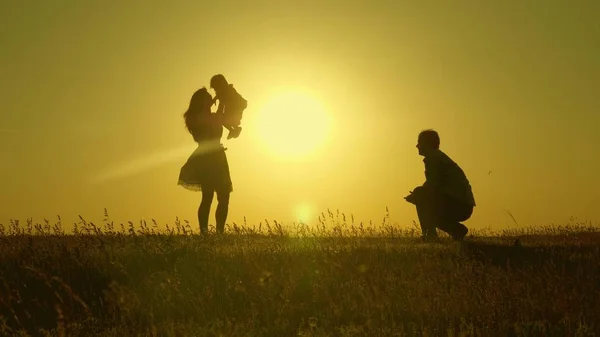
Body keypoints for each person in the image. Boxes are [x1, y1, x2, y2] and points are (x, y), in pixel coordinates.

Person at [178, 88, 233, 234]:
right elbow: (216, 121)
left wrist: (222, 100)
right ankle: (205, 233)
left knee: (223, 195)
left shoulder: (209, 115)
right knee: (208, 196)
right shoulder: (201, 117)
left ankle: (218, 232)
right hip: (207, 159)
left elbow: (221, 118)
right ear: (202, 101)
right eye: (208, 97)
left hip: (217, 156)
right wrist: (220, 101)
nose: (211, 98)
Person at [405, 129, 475, 241]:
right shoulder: (438, 157)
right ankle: (456, 230)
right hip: (463, 205)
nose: (417, 146)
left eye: (419, 142)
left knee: (420, 194)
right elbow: (432, 183)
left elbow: (433, 185)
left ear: (427, 144)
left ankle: (430, 235)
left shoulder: (433, 159)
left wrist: (417, 196)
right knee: (421, 195)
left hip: (458, 205)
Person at [210, 74, 248, 139]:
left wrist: (217, 117)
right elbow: (218, 98)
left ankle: (235, 128)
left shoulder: (227, 91)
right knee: (224, 117)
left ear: (220, 85)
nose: (215, 90)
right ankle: (234, 129)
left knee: (222, 117)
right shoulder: (224, 92)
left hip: (238, 106)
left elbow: (221, 106)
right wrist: (214, 100)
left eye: (216, 88)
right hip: (237, 106)